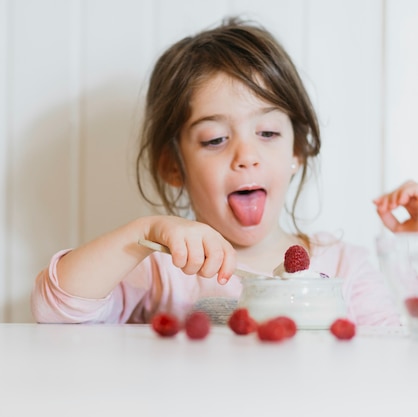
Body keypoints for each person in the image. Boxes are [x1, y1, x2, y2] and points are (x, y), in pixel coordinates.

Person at [31, 17, 402, 326]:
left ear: (297, 151)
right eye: (215, 139)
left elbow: (392, 358)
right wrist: (144, 232)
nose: (246, 156)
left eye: (268, 133)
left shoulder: (343, 266)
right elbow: (56, 310)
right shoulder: (159, 266)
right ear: (174, 167)